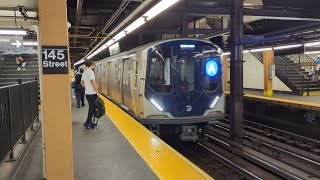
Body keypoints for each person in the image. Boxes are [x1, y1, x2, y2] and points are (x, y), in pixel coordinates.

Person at [81, 61, 100, 129]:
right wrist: (97, 92)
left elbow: (82, 82)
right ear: (92, 65)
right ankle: (87, 122)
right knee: (92, 108)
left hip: (87, 93)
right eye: (95, 66)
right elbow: (92, 81)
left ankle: (89, 122)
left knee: (91, 108)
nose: (95, 67)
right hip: (92, 93)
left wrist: (87, 88)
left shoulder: (85, 72)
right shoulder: (91, 72)